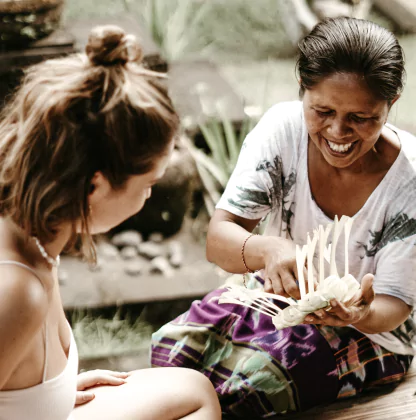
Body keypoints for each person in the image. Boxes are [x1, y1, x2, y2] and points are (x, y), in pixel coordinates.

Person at [151, 17, 416, 418]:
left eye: (361, 118)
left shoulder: (408, 181)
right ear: (302, 92)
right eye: (322, 110)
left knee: (253, 387)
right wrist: (269, 248)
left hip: (374, 334)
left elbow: (393, 305)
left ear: (390, 103)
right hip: (276, 298)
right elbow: (219, 241)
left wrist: (357, 313)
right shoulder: (282, 131)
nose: (338, 132)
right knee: (173, 350)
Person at [0, 25, 221, 420]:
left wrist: (52, 390)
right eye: (148, 183)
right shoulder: (17, 291)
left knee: (194, 389)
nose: (150, 196)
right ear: (97, 185)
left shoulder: (34, 232)